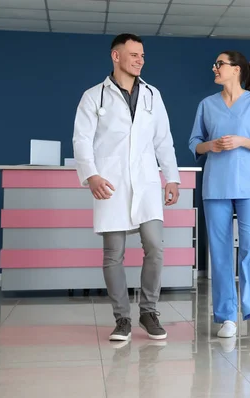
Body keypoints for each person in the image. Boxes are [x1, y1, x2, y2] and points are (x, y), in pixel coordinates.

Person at [72, 33, 181, 342]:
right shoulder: (94, 96)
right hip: (111, 183)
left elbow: (163, 140)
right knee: (113, 254)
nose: (139, 60)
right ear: (116, 56)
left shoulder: (152, 95)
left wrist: (171, 177)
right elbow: (81, 140)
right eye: (133, 54)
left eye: (142, 55)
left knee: (155, 248)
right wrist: (91, 175)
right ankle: (122, 318)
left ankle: (148, 311)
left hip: (146, 183)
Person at [188, 50, 250, 338]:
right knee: (221, 252)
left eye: (220, 64)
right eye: (215, 64)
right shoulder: (207, 105)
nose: (215, 68)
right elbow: (194, 143)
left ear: (237, 69)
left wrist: (241, 141)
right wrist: (209, 146)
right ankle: (226, 317)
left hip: (249, 185)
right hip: (215, 186)